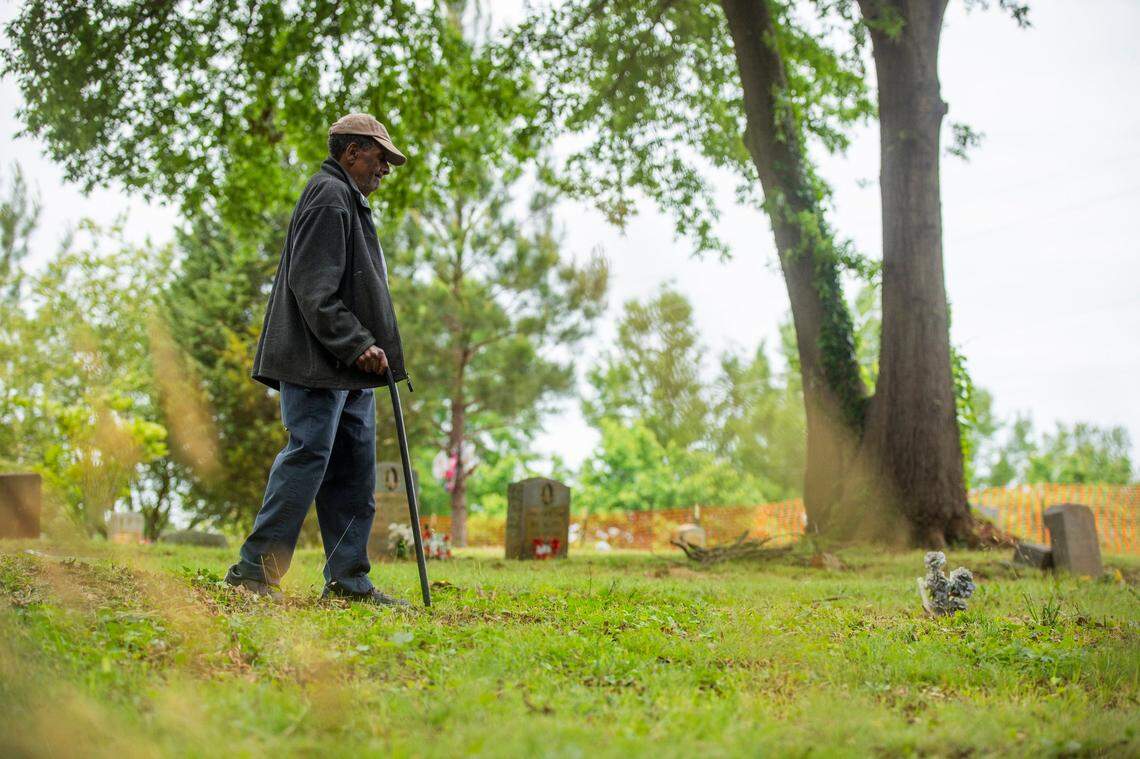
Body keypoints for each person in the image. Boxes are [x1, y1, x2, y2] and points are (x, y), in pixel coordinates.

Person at [224, 113, 411, 606]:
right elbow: (313, 288)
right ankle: (254, 571)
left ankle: (348, 580)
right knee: (308, 455)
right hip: (318, 360)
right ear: (351, 152)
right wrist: (355, 343)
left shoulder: (348, 200)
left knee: (353, 472)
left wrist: (362, 351)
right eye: (380, 157)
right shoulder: (330, 195)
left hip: (349, 368)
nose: (385, 170)